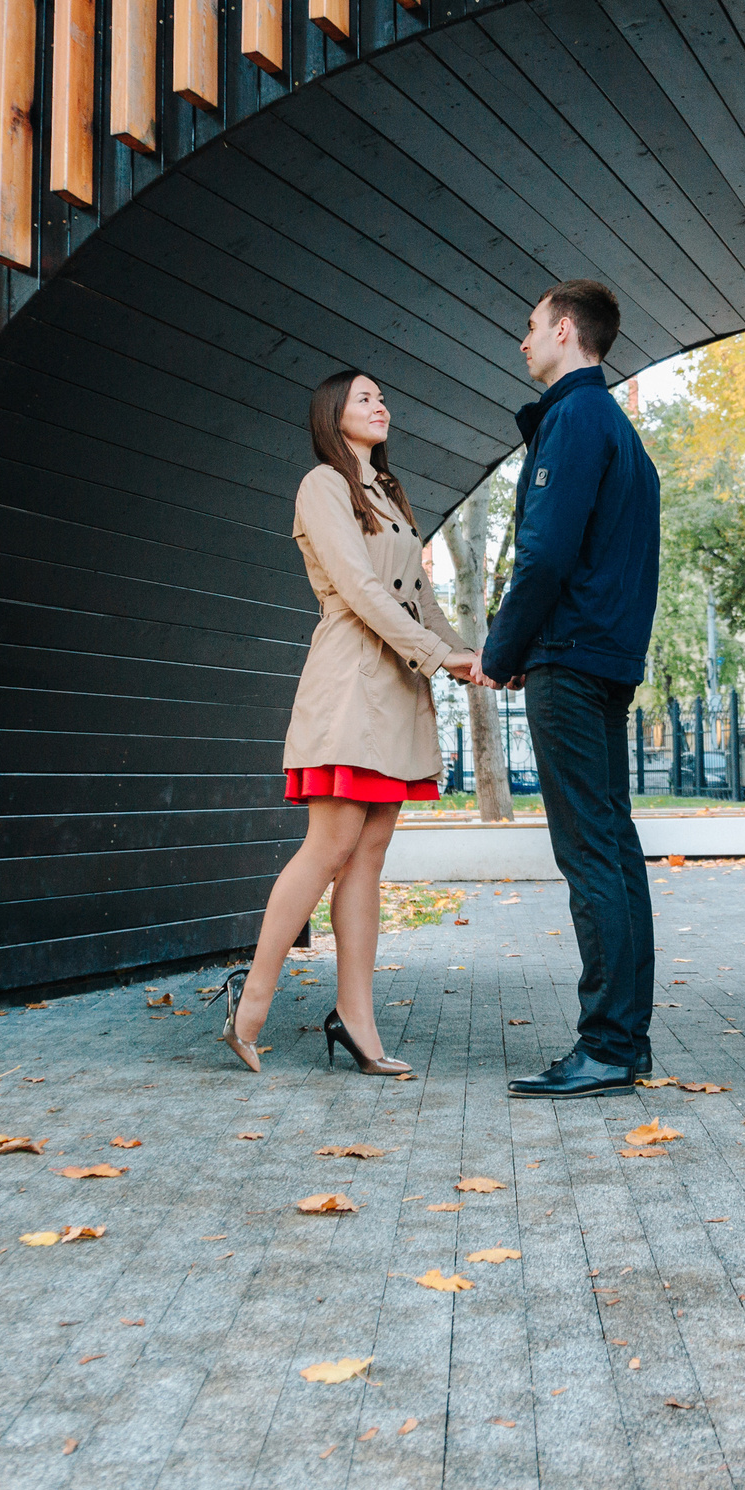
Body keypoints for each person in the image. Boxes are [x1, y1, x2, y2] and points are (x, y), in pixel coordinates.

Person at [215, 371, 480, 1076]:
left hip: (397, 683)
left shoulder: (390, 493)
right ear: (333, 415)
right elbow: (361, 591)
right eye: (364, 397)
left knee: (369, 856)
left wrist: (471, 658)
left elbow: (419, 594)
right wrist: (438, 657)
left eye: (383, 396)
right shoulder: (322, 485)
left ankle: (357, 1022)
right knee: (331, 844)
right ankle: (251, 1001)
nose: (381, 404)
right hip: (351, 678)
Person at [472, 281, 661, 1099]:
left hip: (570, 661)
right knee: (613, 847)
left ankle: (608, 1046)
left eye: (528, 326)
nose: (522, 343)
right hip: (602, 658)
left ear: (562, 329)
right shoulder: (618, 427)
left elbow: (545, 553)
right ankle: (625, 1041)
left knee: (589, 851)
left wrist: (502, 648)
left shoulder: (575, 419)